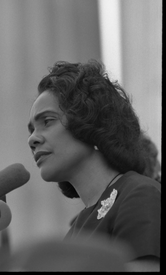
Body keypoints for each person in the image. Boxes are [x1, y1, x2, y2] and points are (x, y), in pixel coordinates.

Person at [27, 60, 161, 271]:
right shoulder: (77, 227)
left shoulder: (139, 194)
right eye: (32, 129)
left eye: (47, 121)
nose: (32, 139)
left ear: (90, 122)